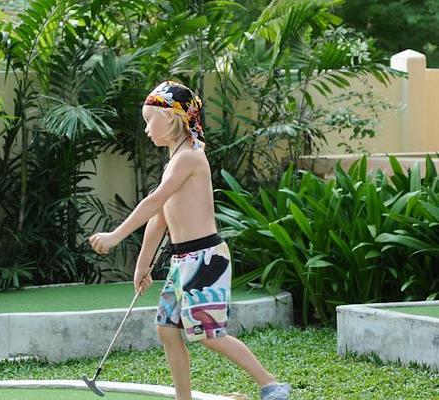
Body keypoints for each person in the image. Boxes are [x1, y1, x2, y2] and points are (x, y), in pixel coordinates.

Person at [89, 81, 290, 400]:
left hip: (206, 258)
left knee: (209, 334)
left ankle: (271, 384)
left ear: (170, 118)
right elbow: (159, 220)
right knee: (167, 329)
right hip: (182, 262)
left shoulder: (190, 158)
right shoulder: (175, 162)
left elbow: (153, 203)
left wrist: (115, 236)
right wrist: (142, 267)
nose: (145, 129)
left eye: (148, 120)